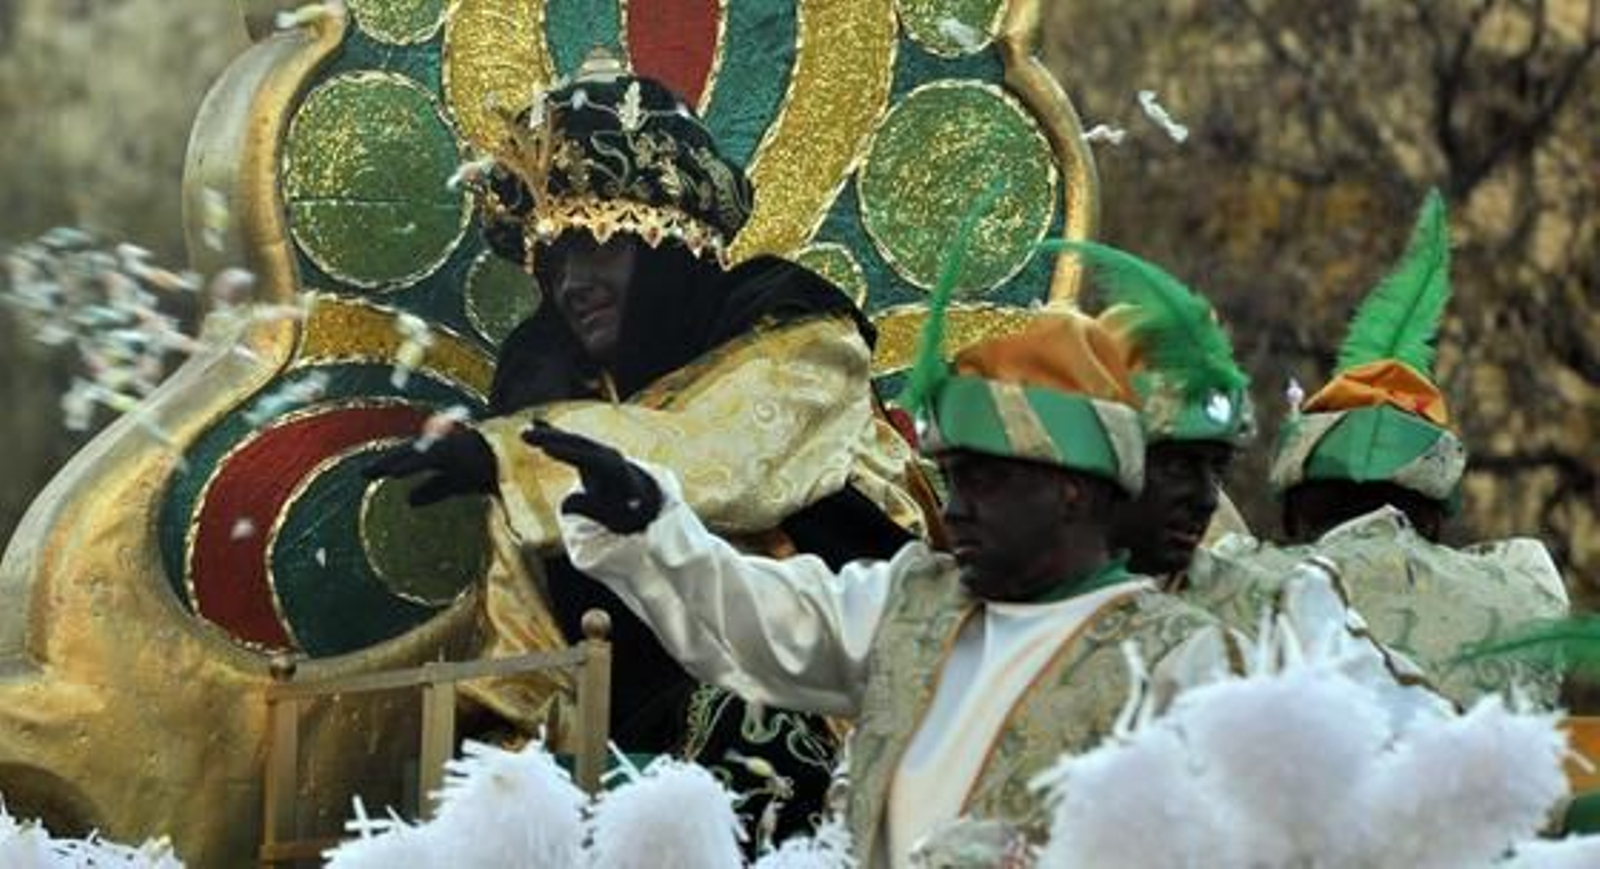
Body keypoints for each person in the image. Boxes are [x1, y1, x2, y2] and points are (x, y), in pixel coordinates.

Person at [522, 291, 1444, 866]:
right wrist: (652, 526)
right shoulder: (919, 599)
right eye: (1169, 461)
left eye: (1207, 467)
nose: (1193, 495)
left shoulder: (1228, 638)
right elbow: (768, 619)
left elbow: (1357, 799)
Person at [366, 49, 932, 843]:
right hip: (637, 778)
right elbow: (524, 650)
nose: (572, 284)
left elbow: (721, 458)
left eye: (598, 243)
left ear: (672, 242)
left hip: (856, 714)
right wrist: (503, 782)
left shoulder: (800, 337)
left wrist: (506, 459)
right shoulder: (541, 418)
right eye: (553, 261)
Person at [1195, 190, 1568, 707]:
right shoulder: (1527, 600)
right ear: (1435, 521)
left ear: (1293, 517)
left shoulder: (1233, 586)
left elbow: (1205, 540)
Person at [1049, 241, 1256, 583]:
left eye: (1219, 469)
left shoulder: (1246, 600)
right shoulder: (984, 594)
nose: (1209, 501)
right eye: (1177, 466)